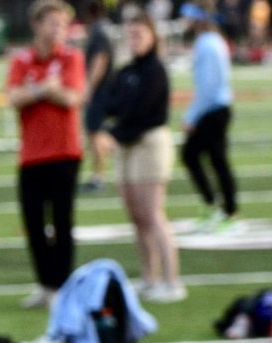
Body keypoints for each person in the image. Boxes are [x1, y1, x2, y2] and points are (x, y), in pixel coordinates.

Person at [96, 12, 184, 302]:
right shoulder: (126, 71)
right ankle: (149, 278)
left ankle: (172, 281)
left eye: (139, 35)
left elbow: (142, 112)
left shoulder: (155, 70)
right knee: (136, 217)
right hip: (125, 144)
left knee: (153, 214)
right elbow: (110, 102)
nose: (134, 40)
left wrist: (113, 133)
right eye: (130, 35)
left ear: (152, 37)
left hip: (148, 143)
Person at [6, 0, 86, 310]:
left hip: (65, 152)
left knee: (62, 223)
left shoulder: (71, 57)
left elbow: (71, 98)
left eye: (63, 25)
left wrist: (37, 91)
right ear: (36, 25)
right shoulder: (21, 59)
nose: (59, 30)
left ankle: (61, 287)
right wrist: (44, 89)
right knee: (34, 223)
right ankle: (44, 284)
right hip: (31, 153)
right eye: (53, 23)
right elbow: (14, 97)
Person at [180, 0, 239, 232]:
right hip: (215, 108)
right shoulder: (211, 41)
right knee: (210, 159)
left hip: (213, 110)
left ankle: (225, 211)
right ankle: (218, 207)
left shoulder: (208, 44)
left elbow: (208, 87)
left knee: (203, 158)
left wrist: (191, 116)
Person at [79, 0, 115, 192]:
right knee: (96, 132)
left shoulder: (99, 32)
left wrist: (89, 88)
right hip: (104, 89)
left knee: (95, 132)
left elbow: (100, 60)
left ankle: (98, 177)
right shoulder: (103, 29)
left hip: (100, 90)